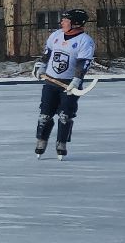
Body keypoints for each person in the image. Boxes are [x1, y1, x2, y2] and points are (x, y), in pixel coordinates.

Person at [34, 8, 95, 159]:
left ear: (75, 23)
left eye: (65, 20)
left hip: (69, 85)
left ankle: (61, 143)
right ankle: (41, 140)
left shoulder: (85, 41)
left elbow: (83, 63)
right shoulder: (56, 35)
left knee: (64, 116)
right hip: (50, 82)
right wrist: (41, 66)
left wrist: (77, 80)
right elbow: (47, 53)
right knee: (44, 115)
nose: (62, 22)